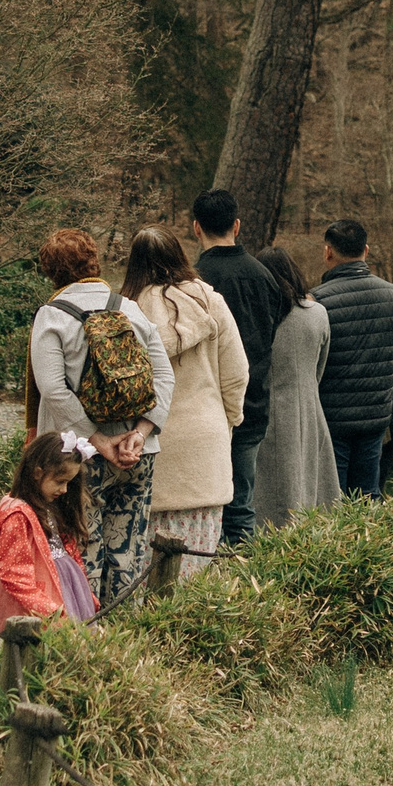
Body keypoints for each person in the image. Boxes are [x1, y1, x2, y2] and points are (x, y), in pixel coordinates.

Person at [27, 227, 173, 608]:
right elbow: (164, 376)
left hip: (77, 458)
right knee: (129, 551)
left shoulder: (52, 316)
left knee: (82, 551)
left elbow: (53, 389)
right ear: (94, 262)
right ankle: (124, 632)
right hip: (137, 453)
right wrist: (140, 432)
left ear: (51, 272)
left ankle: (86, 633)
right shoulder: (129, 308)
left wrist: (97, 439)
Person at [123, 226, 249, 579]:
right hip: (204, 446)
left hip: (146, 446)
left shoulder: (126, 311)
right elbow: (237, 374)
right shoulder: (210, 302)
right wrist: (228, 420)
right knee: (196, 568)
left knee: (144, 571)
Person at [190, 189, 279, 546]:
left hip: (204, 408)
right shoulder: (264, 276)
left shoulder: (194, 282)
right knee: (242, 505)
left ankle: (204, 572)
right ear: (237, 225)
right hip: (253, 404)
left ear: (197, 228)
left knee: (203, 507)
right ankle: (243, 573)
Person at [311, 219, 393, 498]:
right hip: (377, 413)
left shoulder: (317, 301)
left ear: (328, 252)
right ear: (366, 250)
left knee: (333, 498)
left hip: (332, 417)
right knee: (369, 494)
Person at [251, 244, 340, 531]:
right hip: (310, 409)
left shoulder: (257, 317)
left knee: (272, 492)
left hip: (267, 410)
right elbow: (319, 367)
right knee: (311, 486)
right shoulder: (317, 314)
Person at [0, 429, 100, 628]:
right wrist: (50, 612)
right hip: (44, 601)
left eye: (68, 483)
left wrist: (87, 596)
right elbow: (14, 575)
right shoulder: (17, 515)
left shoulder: (50, 505)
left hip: (68, 588)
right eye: (60, 482)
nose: (64, 490)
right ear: (37, 473)